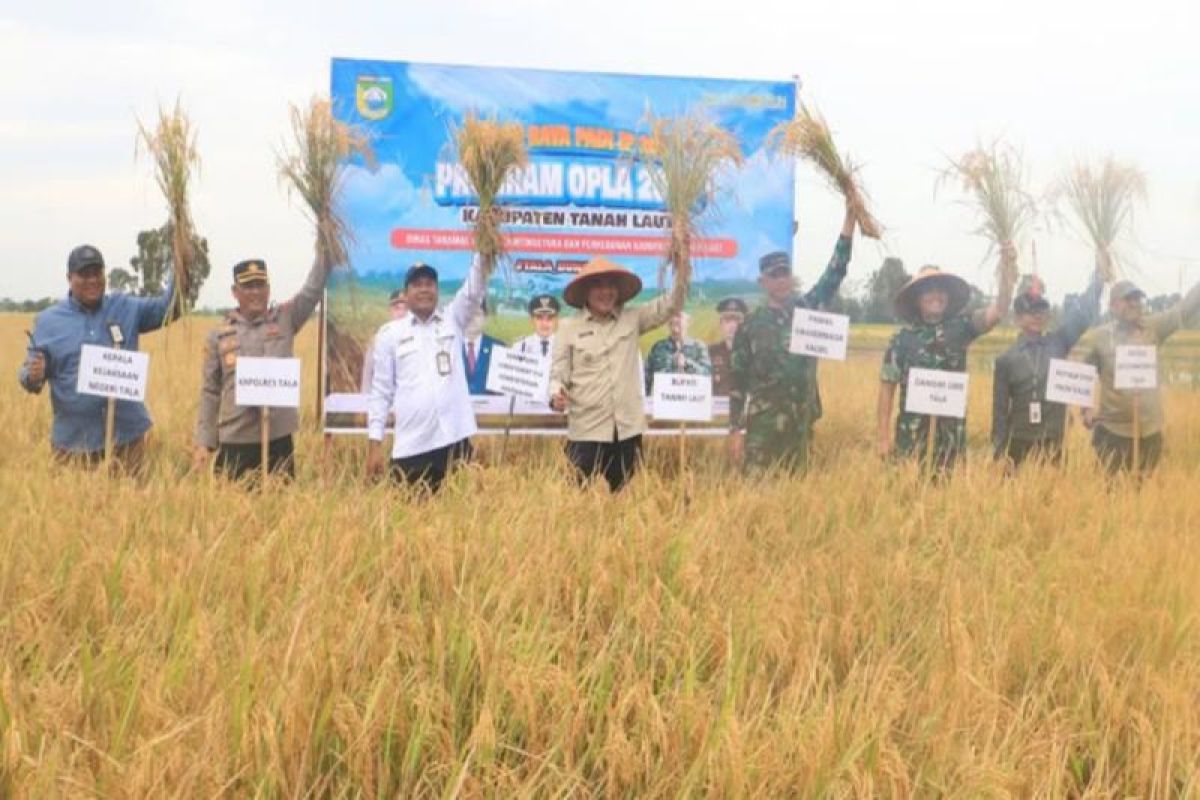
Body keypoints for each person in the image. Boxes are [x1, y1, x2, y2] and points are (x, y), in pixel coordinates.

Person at [19, 244, 177, 474]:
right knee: (72, 509)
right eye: (84, 274)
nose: (92, 280)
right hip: (73, 446)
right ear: (69, 278)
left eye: (97, 273)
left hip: (127, 440)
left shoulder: (126, 307)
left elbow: (169, 308)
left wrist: (182, 268)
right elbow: (29, 377)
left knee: (133, 508)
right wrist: (33, 375)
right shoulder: (48, 321)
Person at [728, 204, 856, 472]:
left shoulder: (806, 310)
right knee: (759, 500)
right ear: (762, 281)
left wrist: (850, 220)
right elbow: (737, 383)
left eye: (784, 273)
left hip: (800, 428)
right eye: (774, 275)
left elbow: (835, 273)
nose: (781, 280)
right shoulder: (749, 326)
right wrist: (735, 431)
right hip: (762, 431)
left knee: (797, 500)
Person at [550, 256, 687, 491]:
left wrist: (683, 267)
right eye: (599, 286)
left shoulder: (633, 319)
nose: (606, 292)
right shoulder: (568, 328)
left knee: (626, 502)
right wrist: (556, 395)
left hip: (627, 431)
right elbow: (558, 373)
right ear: (586, 292)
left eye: (611, 285)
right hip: (586, 431)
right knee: (576, 502)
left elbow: (671, 304)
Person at [876, 245, 1016, 474]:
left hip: (952, 446)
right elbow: (886, 389)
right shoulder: (901, 341)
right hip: (910, 446)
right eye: (928, 290)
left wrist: (1007, 272)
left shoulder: (962, 329)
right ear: (917, 299)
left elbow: (998, 311)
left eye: (940, 289)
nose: (935, 295)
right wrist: (882, 438)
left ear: (947, 297)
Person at [194, 257, 332, 481]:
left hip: (278, 441)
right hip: (235, 442)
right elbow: (210, 392)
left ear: (268, 289)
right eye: (248, 286)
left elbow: (312, 290)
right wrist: (204, 442)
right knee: (231, 511)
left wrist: (326, 246)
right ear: (235, 291)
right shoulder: (219, 335)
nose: (256, 292)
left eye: (261, 285)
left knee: (281, 511)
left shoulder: (285, 319)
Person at [366, 258, 486, 492]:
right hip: (412, 447)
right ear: (406, 293)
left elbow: (474, 289)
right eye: (417, 284)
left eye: (430, 284)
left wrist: (485, 251)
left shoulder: (453, 320)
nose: (424, 289)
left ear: (437, 291)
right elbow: (380, 393)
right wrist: (374, 445)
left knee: (463, 524)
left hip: (455, 442)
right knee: (410, 524)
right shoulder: (390, 335)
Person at [1082, 277, 1200, 475]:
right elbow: (1082, 375)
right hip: (1113, 434)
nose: (1134, 304)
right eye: (1128, 299)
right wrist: (1085, 410)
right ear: (1113, 305)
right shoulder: (1101, 338)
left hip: (1149, 433)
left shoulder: (1153, 328)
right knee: (1112, 496)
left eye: (1137, 299)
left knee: (1144, 496)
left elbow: (1182, 310)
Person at [991, 270, 1102, 468]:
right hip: (1018, 442)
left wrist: (1099, 277)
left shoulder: (1058, 343)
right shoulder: (1005, 360)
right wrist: (999, 454)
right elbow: (999, 413)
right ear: (1017, 318)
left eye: (1041, 311)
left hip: (1053, 441)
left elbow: (1082, 315)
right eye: (1030, 312)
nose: (1037, 316)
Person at [644, 311, 712, 394]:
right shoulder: (658, 348)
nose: (674, 319)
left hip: (690, 402)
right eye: (671, 318)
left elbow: (707, 375)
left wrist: (687, 364)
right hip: (664, 403)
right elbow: (645, 379)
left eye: (678, 317)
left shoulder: (698, 347)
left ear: (689, 322)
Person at [360, 288, 408, 394]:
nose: (401, 313)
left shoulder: (417, 339)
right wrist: (363, 402)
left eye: (406, 309)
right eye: (397, 308)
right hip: (384, 401)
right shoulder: (378, 339)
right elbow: (368, 376)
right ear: (390, 311)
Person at [462, 300, 504, 395]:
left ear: (485, 318)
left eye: (476, 314)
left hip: (491, 409)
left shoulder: (498, 348)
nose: (471, 319)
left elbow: (503, 391)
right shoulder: (449, 347)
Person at [708, 297, 747, 395]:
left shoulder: (752, 353)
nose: (733, 325)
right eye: (728, 321)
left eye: (737, 320)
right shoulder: (709, 352)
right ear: (721, 324)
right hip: (717, 408)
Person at [514, 293, 560, 361]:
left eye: (550, 318)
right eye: (539, 318)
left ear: (556, 320)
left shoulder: (564, 347)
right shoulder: (520, 346)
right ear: (531, 320)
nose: (544, 323)